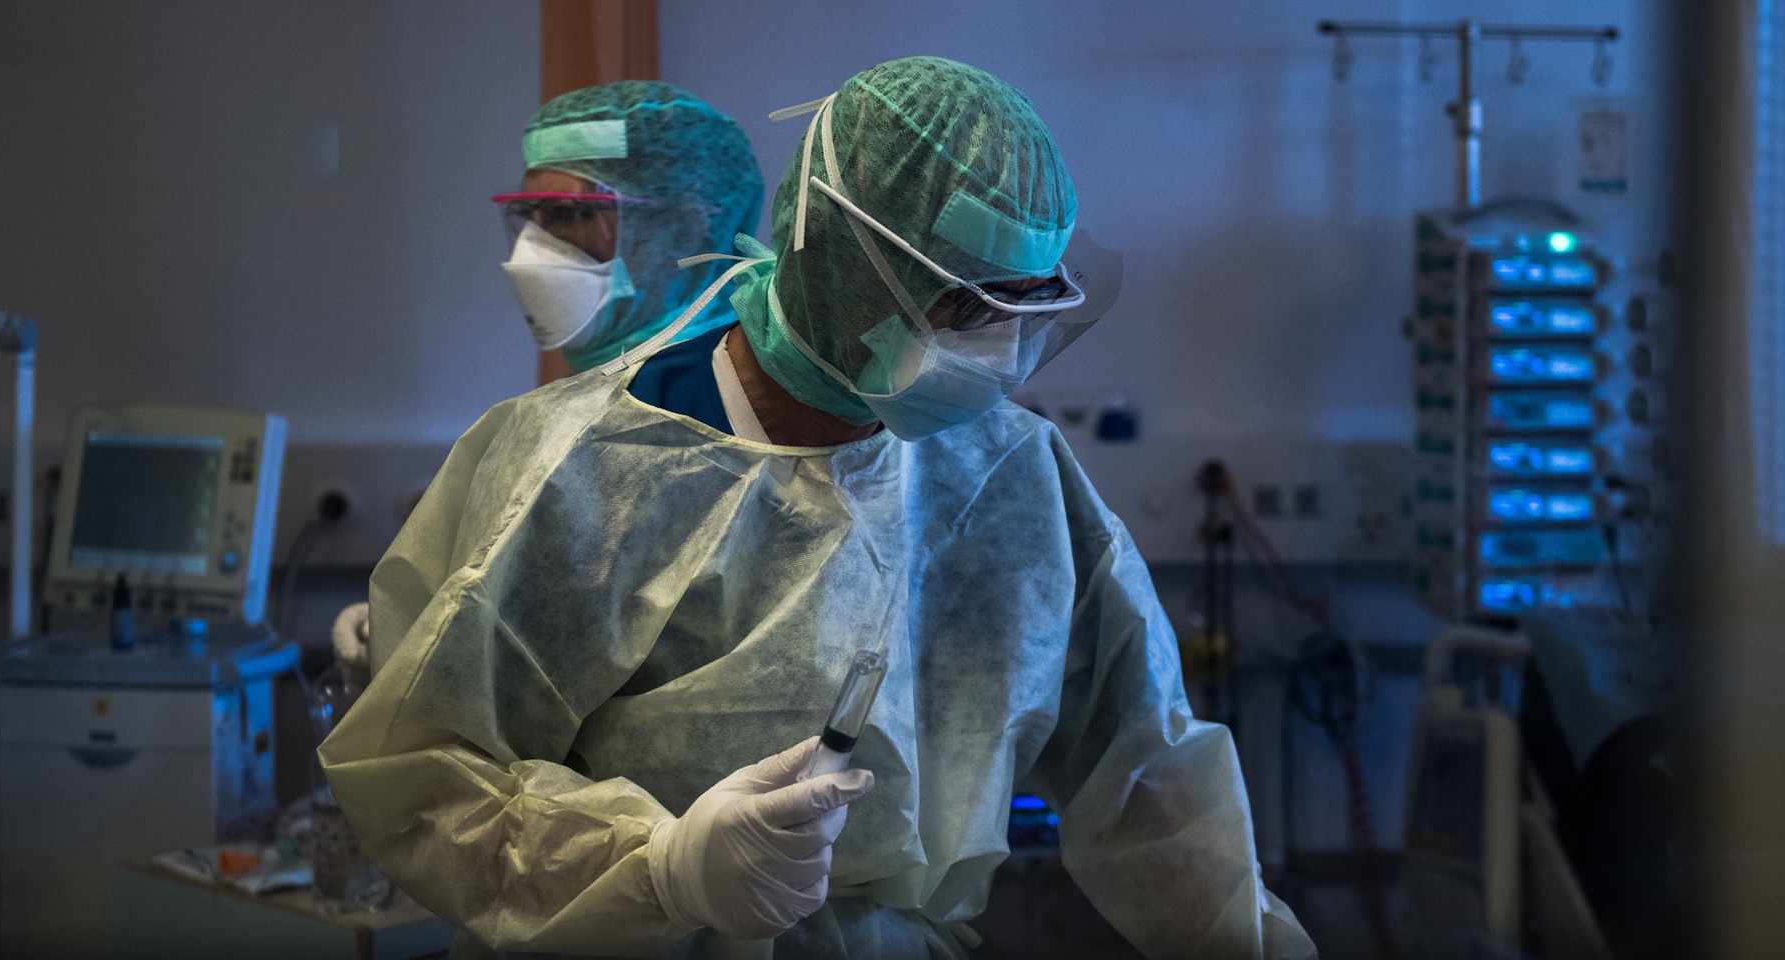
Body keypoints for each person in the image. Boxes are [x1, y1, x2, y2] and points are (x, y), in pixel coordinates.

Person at [321, 56, 1316, 959]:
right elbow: (422, 776)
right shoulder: (582, 467)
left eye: (1021, 312)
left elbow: (1145, 777)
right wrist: (664, 868)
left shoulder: (1009, 475)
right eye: (963, 309)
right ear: (840, 262)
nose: (998, 354)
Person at [495, 80, 762, 386]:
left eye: (565, 214)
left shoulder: (742, 394)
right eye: (526, 214)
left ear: (683, 227)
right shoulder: (594, 390)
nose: (531, 251)